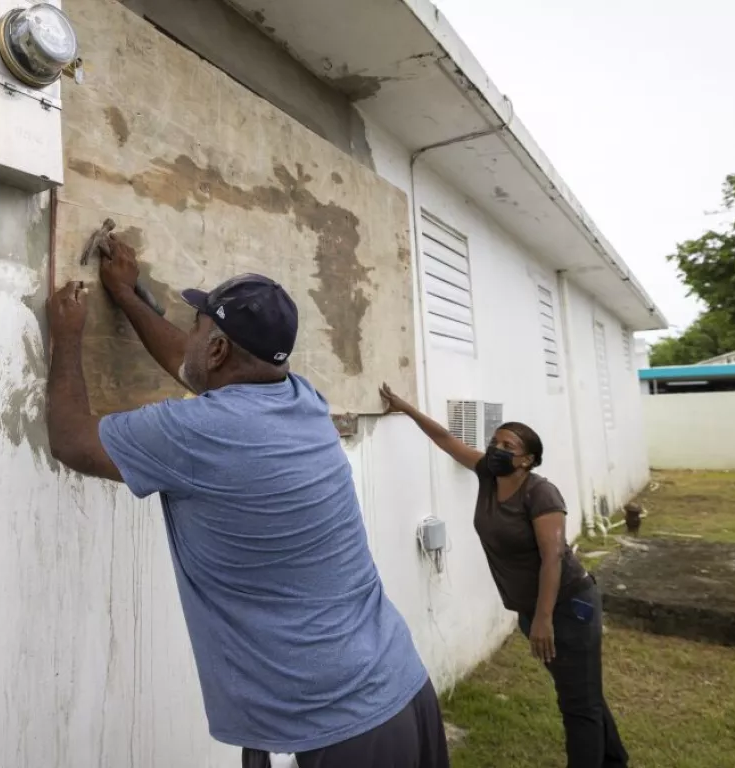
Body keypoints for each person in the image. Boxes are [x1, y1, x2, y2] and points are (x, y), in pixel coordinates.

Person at [44, 235, 450, 768]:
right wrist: (126, 297)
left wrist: (67, 336)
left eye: (199, 326)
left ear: (216, 349)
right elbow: (189, 366)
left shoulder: (198, 433)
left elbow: (72, 440)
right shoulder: (301, 399)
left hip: (340, 731)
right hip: (401, 688)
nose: (189, 336)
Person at [379, 384, 627, 768]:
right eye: (495, 442)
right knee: (581, 692)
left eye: (507, 446)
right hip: (534, 609)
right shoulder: (487, 476)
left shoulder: (541, 494)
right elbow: (445, 438)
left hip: (567, 606)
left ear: (527, 460)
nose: (497, 450)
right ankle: (614, 760)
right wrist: (404, 407)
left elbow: (553, 558)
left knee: (578, 704)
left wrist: (544, 619)